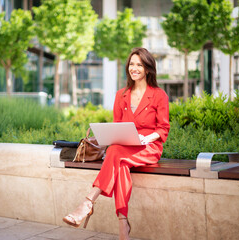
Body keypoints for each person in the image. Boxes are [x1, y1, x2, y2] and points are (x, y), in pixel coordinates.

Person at [63, 47, 170, 240]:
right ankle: (123, 224)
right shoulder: (121, 95)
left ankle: (88, 203)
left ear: (147, 68)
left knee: (115, 153)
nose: (134, 68)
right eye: (131, 64)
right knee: (119, 162)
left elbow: (163, 129)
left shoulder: (158, 95)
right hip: (124, 147)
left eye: (139, 64)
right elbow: (118, 125)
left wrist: (148, 138)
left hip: (148, 147)